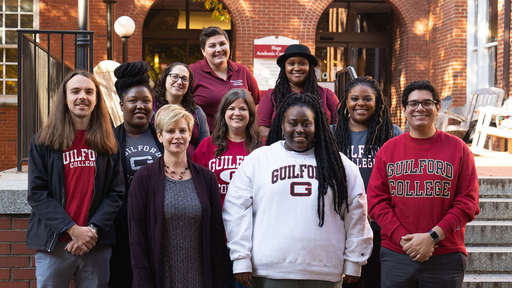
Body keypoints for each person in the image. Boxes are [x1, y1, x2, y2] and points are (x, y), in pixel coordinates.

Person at [223, 92, 372, 287]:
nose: (299, 129)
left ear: (317, 125)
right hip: (270, 271)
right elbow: (236, 209)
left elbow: (357, 213)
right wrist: (240, 258)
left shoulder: (340, 164)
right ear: (282, 125)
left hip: (324, 271)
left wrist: (355, 260)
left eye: (307, 123)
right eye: (292, 123)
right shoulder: (259, 160)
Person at [367, 80, 480, 288]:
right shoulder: (388, 151)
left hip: (445, 255)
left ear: (438, 108)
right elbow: (376, 202)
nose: (420, 108)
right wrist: (404, 240)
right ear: (404, 110)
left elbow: (468, 203)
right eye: (413, 103)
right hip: (397, 255)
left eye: (427, 103)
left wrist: (432, 237)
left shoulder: (459, 149)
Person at [27, 71, 124, 287]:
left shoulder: (109, 144)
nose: (83, 96)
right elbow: (37, 194)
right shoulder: (43, 142)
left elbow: (115, 193)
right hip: (55, 245)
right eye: (75, 91)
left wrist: (91, 231)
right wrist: (72, 229)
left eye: (89, 92)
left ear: (97, 99)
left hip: (95, 244)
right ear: (65, 98)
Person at [128, 104, 225, 288]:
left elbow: (216, 237)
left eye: (183, 130)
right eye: (170, 131)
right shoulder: (143, 179)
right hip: (159, 280)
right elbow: (136, 239)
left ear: (190, 134)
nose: (177, 136)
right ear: (159, 135)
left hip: (199, 279)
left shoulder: (207, 178)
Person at [333, 77, 403, 288]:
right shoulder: (331, 133)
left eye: (367, 98)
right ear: (346, 101)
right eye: (354, 98)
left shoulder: (392, 134)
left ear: (377, 102)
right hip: (340, 223)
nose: (360, 103)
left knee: (374, 281)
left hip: (379, 224)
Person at [193, 88, 264, 288]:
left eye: (243, 109)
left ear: (250, 115)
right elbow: (196, 189)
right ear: (223, 113)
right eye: (231, 108)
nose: (237, 113)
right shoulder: (207, 146)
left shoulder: (262, 148)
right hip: (215, 233)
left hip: (250, 237)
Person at [110, 61, 165, 288]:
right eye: (133, 101)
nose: (140, 106)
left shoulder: (164, 139)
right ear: (122, 104)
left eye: (146, 101)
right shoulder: (109, 142)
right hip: (121, 228)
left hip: (158, 225)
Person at [257, 44, 339, 138]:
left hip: (318, 150)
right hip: (282, 150)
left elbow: (340, 126)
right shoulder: (271, 95)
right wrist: (291, 140)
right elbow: (261, 129)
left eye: (302, 63)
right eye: (291, 64)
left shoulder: (326, 95)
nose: (297, 68)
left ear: (310, 67)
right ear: (284, 68)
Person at [190, 26, 261, 132]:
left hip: (241, 138)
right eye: (212, 46)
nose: (219, 49)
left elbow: (256, 103)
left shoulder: (243, 71)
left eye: (222, 44)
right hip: (207, 138)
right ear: (203, 51)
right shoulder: (192, 72)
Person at [154, 62, 209, 156]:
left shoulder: (197, 112)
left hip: (190, 167)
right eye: (175, 76)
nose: (179, 82)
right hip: (156, 167)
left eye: (185, 79)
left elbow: (205, 148)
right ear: (165, 79)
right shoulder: (151, 108)